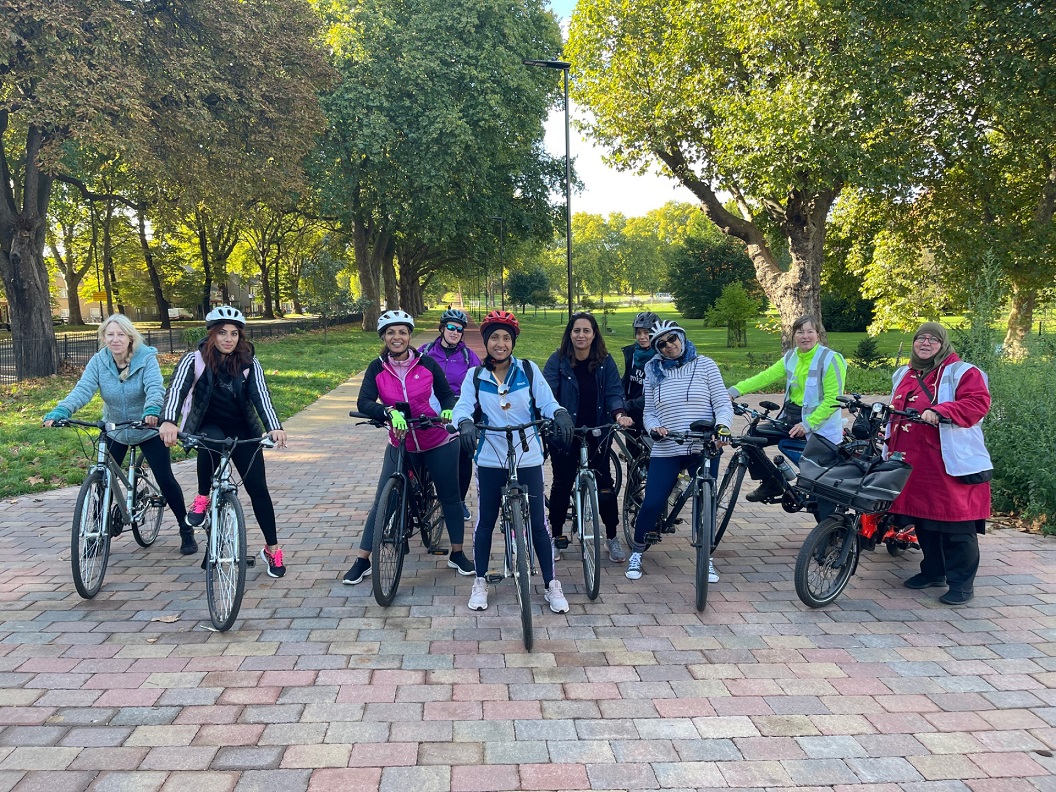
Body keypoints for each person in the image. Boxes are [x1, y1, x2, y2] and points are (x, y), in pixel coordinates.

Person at [451, 310, 575, 613]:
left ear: (513, 341)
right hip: (491, 457)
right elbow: (462, 407)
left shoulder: (529, 371)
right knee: (486, 520)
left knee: (538, 524)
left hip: (528, 455)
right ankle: (480, 581)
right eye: (494, 337)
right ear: (486, 342)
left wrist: (558, 414)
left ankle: (550, 585)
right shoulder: (476, 376)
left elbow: (547, 402)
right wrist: (465, 422)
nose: (500, 343)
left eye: (506, 337)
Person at [43, 314, 193, 554]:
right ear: (103, 337)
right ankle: (96, 531)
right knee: (102, 480)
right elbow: (83, 390)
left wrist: (153, 411)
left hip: (146, 428)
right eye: (110, 335)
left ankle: (185, 529)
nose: (115, 339)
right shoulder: (98, 362)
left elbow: (155, 388)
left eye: (120, 334)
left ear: (130, 337)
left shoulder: (146, 359)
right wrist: (62, 410)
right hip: (115, 429)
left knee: (165, 479)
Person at [343, 309, 473, 585]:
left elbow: (447, 395)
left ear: (410, 336)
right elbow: (364, 402)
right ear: (384, 337)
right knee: (381, 501)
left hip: (434, 438)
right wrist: (386, 412)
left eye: (402, 332)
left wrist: (449, 411)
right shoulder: (377, 367)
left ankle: (458, 554)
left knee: (450, 497)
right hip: (400, 441)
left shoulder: (426, 363)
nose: (397, 337)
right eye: (391, 332)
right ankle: (363, 560)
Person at [158, 306, 289, 577]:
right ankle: (203, 497)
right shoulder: (193, 360)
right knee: (210, 441)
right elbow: (176, 391)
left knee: (258, 489)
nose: (228, 339)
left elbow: (261, 396)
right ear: (212, 335)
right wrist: (169, 421)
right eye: (222, 333)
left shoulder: (249, 363)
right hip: (208, 423)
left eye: (234, 334)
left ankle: (272, 549)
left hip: (242, 427)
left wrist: (274, 427)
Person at [885, 322, 992, 606]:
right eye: (921, 338)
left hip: (948, 462)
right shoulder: (904, 373)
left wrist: (941, 410)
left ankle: (961, 584)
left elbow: (977, 403)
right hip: (912, 462)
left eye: (933, 339)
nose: (926, 343)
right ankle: (933, 571)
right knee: (924, 520)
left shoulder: (963, 371)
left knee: (957, 525)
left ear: (943, 343)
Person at [625, 319, 733, 583]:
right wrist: (654, 428)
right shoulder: (653, 370)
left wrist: (723, 427)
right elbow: (649, 411)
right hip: (668, 445)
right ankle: (638, 551)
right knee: (652, 502)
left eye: (672, 339)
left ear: (682, 338)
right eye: (661, 344)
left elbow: (721, 402)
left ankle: (705, 558)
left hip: (703, 445)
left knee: (705, 502)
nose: (669, 346)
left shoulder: (705, 364)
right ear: (657, 349)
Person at [543, 312, 634, 564]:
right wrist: (552, 419)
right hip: (565, 434)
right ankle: (557, 537)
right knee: (562, 484)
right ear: (569, 334)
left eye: (586, 331)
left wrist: (619, 413)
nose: (581, 335)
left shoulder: (605, 361)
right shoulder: (558, 361)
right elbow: (547, 394)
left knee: (605, 486)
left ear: (594, 334)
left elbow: (615, 392)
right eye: (576, 331)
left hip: (597, 433)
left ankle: (612, 537)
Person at [727, 315, 846, 503]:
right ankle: (772, 482)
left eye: (810, 332)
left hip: (817, 425)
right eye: (800, 332)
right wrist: (733, 391)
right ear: (794, 335)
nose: (805, 336)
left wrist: (807, 424)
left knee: (820, 481)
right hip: (790, 419)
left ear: (818, 335)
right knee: (750, 438)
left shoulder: (830, 359)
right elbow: (765, 377)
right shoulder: (791, 356)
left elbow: (834, 399)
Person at [418, 308, 483, 521]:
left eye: (459, 330)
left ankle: (459, 501)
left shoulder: (468, 356)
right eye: (451, 328)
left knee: (463, 455)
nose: (455, 332)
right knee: (420, 452)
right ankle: (418, 494)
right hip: (427, 407)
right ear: (442, 329)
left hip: (457, 407)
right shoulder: (425, 351)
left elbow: (479, 385)